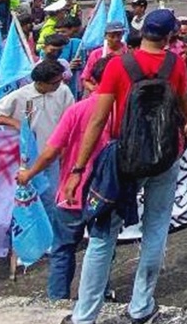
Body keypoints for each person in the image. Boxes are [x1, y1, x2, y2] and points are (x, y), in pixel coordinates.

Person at [61, 9, 187, 324]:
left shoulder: (119, 65)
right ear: (169, 36)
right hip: (165, 155)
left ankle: (84, 316)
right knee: (156, 228)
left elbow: (98, 120)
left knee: (102, 235)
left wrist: (78, 169)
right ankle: (141, 306)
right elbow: (184, 100)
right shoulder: (175, 63)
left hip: (125, 158)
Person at [16, 57, 112, 300]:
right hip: (107, 192)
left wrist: (29, 173)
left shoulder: (77, 110)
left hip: (73, 192)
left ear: (92, 81)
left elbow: (51, 151)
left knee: (63, 249)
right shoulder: (122, 109)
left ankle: (57, 300)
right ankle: (97, 295)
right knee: (101, 247)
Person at [0, 60, 74, 217]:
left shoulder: (63, 91)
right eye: (54, 82)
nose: (58, 84)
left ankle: (48, 229)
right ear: (40, 82)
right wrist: (16, 123)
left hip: (51, 155)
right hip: (27, 158)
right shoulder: (21, 95)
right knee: (26, 198)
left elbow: (69, 118)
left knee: (50, 196)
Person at [81, 22, 129, 93]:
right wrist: (94, 89)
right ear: (105, 36)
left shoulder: (129, 52)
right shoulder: (96, 54)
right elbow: (85, 79)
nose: (116, 39)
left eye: (118, 35)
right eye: (112, 36)